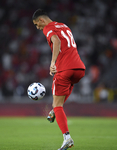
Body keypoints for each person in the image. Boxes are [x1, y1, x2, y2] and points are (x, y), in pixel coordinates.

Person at [32, 9, 86, 150]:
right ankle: (54, 111)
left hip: (64, 69)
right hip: (79, 69)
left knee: (57, 105)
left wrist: (53, 63)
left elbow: (56, 41)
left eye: (37, 25)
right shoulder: (64, 26)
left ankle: (67, 138)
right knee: (59, 101)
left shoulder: (48, 28)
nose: (38, 28)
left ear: (42, 20)